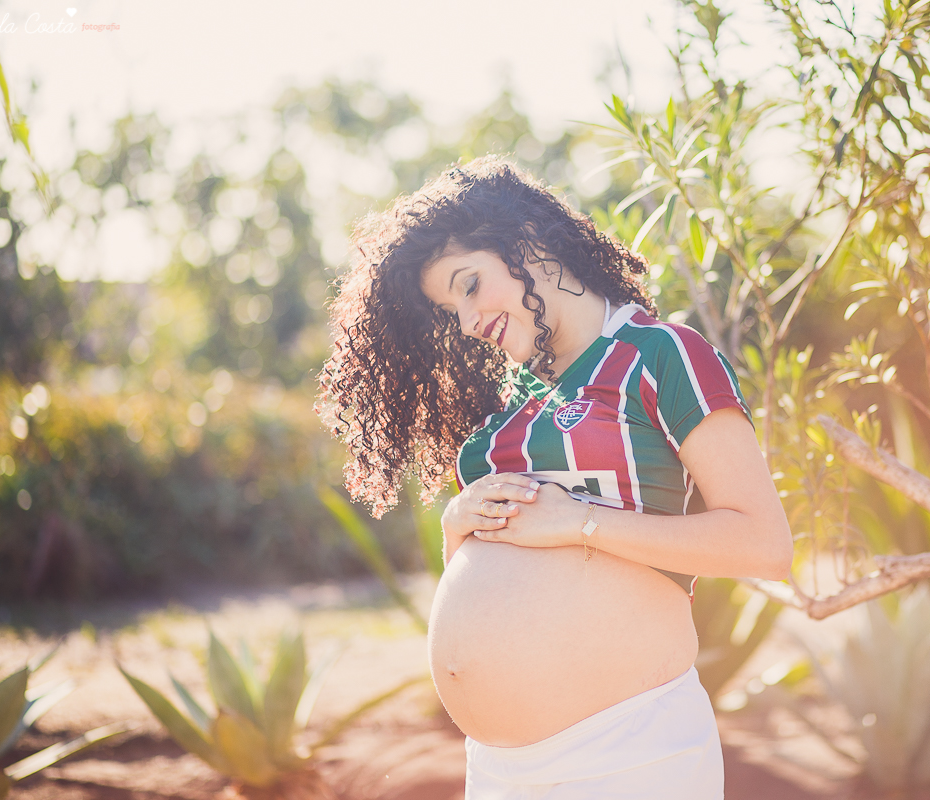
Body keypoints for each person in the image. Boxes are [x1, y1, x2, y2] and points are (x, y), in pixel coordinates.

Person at [316, 156, 793, 799]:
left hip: (631, 751)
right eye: (448, 307)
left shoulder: (661, 354)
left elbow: (765, 545)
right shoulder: (507, 397)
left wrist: (582, 523)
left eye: (469, 284)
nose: (464, 320)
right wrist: (460, 527)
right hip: (499, 766)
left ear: (529, 241)